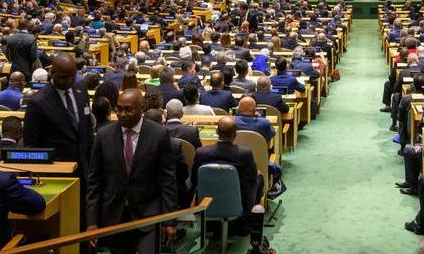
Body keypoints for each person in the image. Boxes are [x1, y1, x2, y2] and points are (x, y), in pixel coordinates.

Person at [86, 89, 178, 253]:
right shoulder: (103, 135)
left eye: (128, 109)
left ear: (142, 108)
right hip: (114, 214)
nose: (122, 114)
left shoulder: (159, 134)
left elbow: (167, 179)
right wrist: (92, 222)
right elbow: (95, 181)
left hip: (149, 214)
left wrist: (170, 220)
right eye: (119, 109)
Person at [23, 54, 93, 185]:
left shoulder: (81, 89)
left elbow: (87, 127)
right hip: (55, 173)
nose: (68, 81)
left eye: (72, 76)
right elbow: (31, 146)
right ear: (52, 73)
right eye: (63, 77)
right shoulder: (38, 102)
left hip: (85, 169)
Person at [192, 115, 261, 231]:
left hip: (207, 202)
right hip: (238, 201)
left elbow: (194, 180)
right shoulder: (245, 153)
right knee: (260, 179)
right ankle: (246, 221)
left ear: (216, 131)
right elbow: (253, 178)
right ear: (235, 134)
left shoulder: (201, 152)